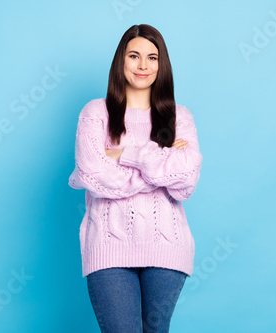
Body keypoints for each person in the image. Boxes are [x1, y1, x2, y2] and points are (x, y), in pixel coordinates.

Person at [68, 24, 203, 333]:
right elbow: (94, 174)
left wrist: (123, 154)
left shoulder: (179, 117)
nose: (143, 65)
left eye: (152, 57)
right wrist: (161, 165)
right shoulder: (96, 113)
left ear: (161, 64)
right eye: (134, 56)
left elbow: (185, 182)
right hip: (108, 246)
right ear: (121, 61)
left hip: (167, 247)